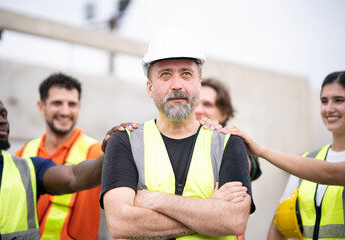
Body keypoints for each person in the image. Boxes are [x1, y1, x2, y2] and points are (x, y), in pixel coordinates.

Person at [100, 29, 255, 240]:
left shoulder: (228, 142)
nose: (177, 85)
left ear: (199, 84)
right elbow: (121, 223)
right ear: (149, 87)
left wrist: (155, 200)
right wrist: (210, 210)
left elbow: (234, 221)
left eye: (186, 73)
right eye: (165, 74)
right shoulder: (124, 140)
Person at [223, 71, 345, 239]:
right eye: (324, 101)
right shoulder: (309, 159)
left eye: (339, 100)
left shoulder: (309, 165)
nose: (329, 108)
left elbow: (328, 173)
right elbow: (278, 226)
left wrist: (261, 151)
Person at [0, 84, 104, 239]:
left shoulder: (27, 167)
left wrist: (119, 146)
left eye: (4, 115)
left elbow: (73, 176)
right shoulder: (26, 150)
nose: (1, 120)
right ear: (41, 107)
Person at [16, 73, 105, 240]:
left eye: (72, 104)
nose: (65, 111)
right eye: (57, 103)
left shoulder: (96, 152)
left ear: (79, 108)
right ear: (41, 106)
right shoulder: (23, 153)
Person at [195, 77, 262, 181]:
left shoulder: (232, 141)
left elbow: (248, 166)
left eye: (207, 104)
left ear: (223, 114)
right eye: (195, 103)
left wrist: (221, 139)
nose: (198, 110)